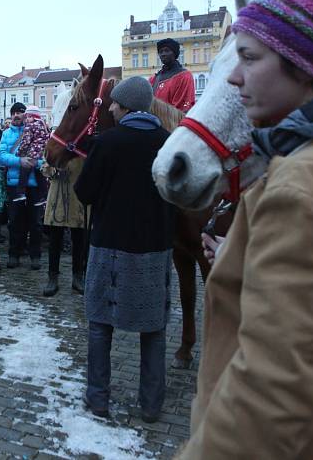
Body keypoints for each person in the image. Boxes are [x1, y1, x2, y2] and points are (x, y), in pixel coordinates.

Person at [179, 0, 313, 459]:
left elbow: (267, 399)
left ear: (307, 66)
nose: (233, 76)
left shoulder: (306, 183)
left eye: (248, 57)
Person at [74, 77, 174, 423]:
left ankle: (98, 399)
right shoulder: (169, 141)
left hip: (110, 248)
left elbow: (84, 192)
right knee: (154, 328)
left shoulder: (109, 143)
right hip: (155, 247)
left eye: (115, 104)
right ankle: (151, 404)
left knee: (101, 325)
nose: (111, 109)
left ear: (127, 106)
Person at [0, 102, 44, 269]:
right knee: (15, 221)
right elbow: (0, 156)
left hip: (35, 185)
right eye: (14, 112)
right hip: (14, 185)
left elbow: (45, 157)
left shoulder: (37, 131)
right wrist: (19, 161)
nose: (17, 115)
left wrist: (34, 163)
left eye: (20, 112)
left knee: (36, 223)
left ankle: (35, 256)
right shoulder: (6, 134)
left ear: (26, 115)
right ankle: (14, 254)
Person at [40, 156, 88, 297]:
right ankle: (52, 278)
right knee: (55, 241)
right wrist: (53, 168)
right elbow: (45, 169)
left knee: (79, 241)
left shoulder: (84, 146)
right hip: (58, 197)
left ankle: (78, 277)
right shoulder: (57, 145)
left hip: (78, 196)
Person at [13, 104, 50, 203]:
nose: (26, 120)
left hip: (32, 152)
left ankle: (20, 193)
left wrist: (19, 153)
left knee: (24, 170)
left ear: (32, 117)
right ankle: (44, 196)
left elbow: (26, 141)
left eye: (27, 117)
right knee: (40, 174)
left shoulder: (29, 126)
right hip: (42, 153)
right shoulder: (43, 125)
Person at [149, 38, 195, 112]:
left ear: (174, 53)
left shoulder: (185, 76)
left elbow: (184, 106)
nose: (163, 54)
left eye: (167, 50)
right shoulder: (153, 79)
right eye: (160, 52)